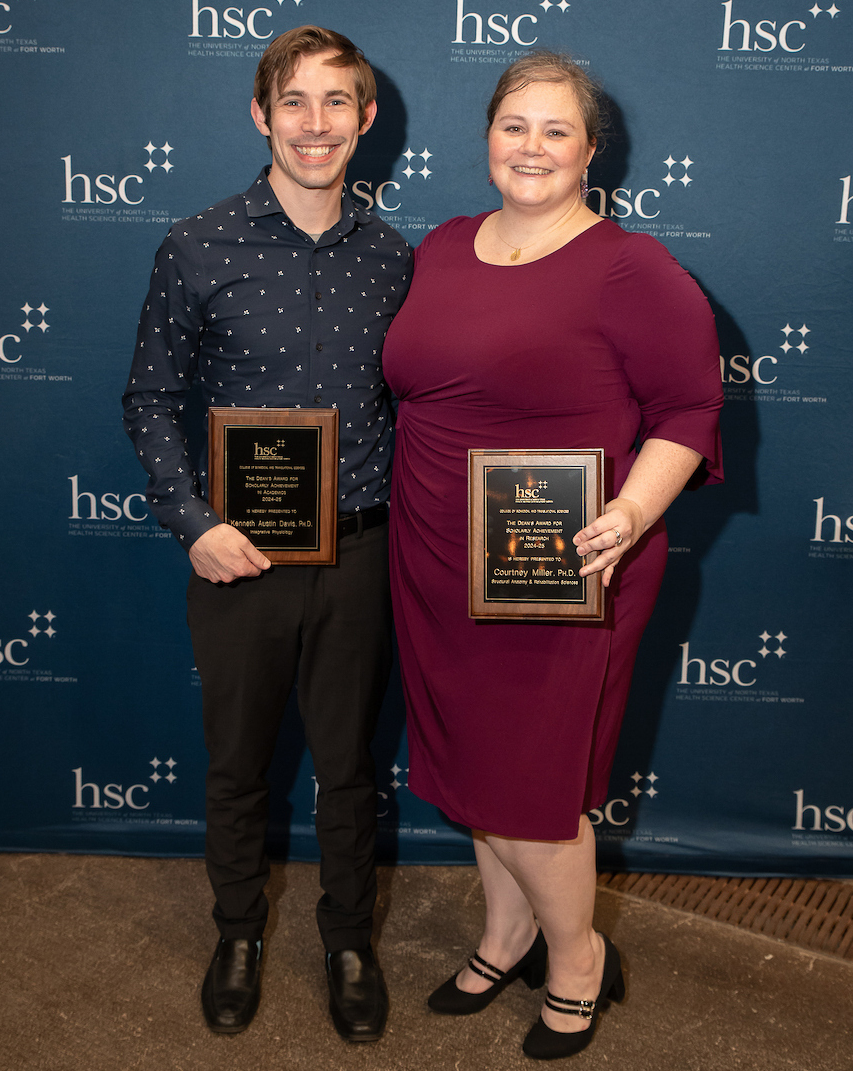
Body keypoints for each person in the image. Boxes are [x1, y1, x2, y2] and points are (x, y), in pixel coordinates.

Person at [382, 51, 722, 1060]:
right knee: (472, 772)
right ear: (487, 136)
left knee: (528, 786)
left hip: (563, 568)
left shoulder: (631, 268)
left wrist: (630, 512)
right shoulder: (443, 245)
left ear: (589, 150)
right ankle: (505, 936)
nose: (530, 147)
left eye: (554, 129)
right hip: (436, 555)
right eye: (512, 125)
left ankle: (577, 959)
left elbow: (687, 411)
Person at [123, 26, 412, 1043]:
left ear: (365, 119)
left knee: (349, 767)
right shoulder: (195, 245)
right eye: (294, 100)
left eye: (336, 102)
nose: (314, 123)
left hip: (362, 551)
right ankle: (237, 934)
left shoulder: (395, 259)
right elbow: (151, 398)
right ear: (261, 114)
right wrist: (191, 521)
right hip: (237, 556)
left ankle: (348, 942)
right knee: (237, 764)